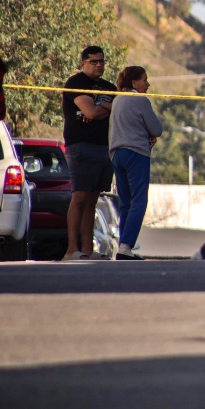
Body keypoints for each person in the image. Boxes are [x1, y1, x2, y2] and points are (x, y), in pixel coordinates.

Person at [61, 46, 117, 261]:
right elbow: (90, 112)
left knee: (93, 199)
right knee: (80, 196)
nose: (99, 65)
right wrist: (102, 108)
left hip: (105, 146)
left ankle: (87, 249)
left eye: (102, 61)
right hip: (81, 145)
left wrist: (99, 105)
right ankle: (71, 249)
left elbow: (115, 108)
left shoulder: (109, 87)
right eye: (94, 61)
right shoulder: (76, 83)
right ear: (83, 63)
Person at [108, 66, 162, 261]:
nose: (147, 84)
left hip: (116, 153)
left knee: (125, 202)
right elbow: (156, 128)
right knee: (139, 200)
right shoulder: (140, 100)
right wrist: (150, 135)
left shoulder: (117, 100)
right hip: (136, 152)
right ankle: (126, 245)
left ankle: (123, 245)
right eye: (144, 80)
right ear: (134, 83)